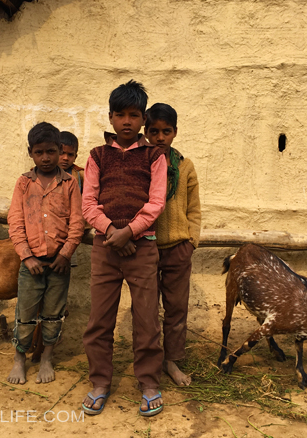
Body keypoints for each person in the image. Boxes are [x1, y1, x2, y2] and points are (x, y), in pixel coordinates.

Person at [81, 80, 167, 417]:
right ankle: (100, 382)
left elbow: (156, 202)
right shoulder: (97, 156)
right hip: (105, 249)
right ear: (111, 118)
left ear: (143, 119)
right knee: (99, 321)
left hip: (142, 249)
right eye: (120, 115)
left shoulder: (154, 156)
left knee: (146, 319)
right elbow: (89, 204)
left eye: (134, 115)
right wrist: (112, 233)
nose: (127, 121)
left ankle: (148, 383)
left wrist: (129, 232)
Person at [6, 122, 83, 385]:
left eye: (51, 151)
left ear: (60, 150)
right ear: (30, 153)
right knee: (25, 313)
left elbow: (77, 222)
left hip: (59, 264)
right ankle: (20, 359)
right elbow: (15, 222)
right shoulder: (24, 183)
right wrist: (26, 256)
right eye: (39, 152)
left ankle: (48, 357)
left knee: (53, 313)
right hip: (31, 264)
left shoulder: (70, 183)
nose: (46, 158)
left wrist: (66, 252)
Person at [145, 103, 201, 387]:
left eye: (166, 131)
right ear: (146, 132)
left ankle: (172, 360)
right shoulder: (139, 162)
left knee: (176, 308)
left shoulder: (185, 166)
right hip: (146, 247)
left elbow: (194, 209)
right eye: (154, 131)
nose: (160, 137)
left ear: (175, 132)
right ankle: (149, 362)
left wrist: (191, 239)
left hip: (178, 247)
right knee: (146, 309)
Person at [58, 130, 85, 268]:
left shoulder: (79, 175)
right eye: (61, 153)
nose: (65, 158)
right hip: (48, 227)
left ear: (75, 156)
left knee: (64, 265)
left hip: (71, 229)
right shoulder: (40, 173)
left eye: (70, 155)